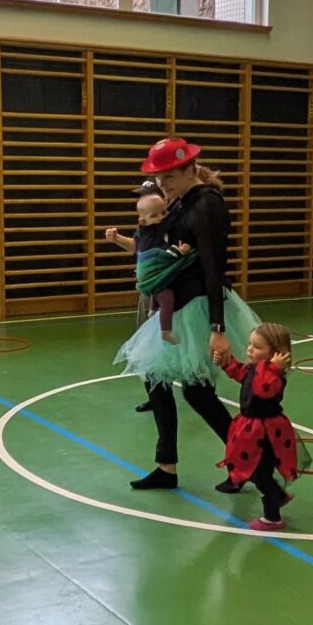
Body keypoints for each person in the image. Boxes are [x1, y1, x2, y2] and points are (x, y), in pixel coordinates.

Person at [118, 138, 261, 492]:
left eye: (169, 177)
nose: (162, 185)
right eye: (159, 178)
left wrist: (217, 327)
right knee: (156, 380)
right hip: (178, 304)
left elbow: (213, 267)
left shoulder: (206, 204)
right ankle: (166, 466)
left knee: (198, 393)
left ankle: (252, 467)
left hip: (197, 306)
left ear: (190, 169)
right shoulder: (182, 200)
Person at [214, 322, 301, 531]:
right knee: (254, 470)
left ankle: (273, 517)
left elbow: (263, 388)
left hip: (265, 434)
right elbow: (240, 373)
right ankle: (278, 495)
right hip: (250, 430)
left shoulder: (273, 377)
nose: (250, 350)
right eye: (250, 344)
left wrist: (273, 367)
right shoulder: (255, 369)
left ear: (277, 353)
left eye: (257, 347)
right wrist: (225, 362)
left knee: (261, 475)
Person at [101, 190, 190, 342]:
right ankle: (158, 320)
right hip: (154, 282)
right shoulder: (148, 230)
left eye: (161, 212)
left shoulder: (175, 221)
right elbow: (140, 247)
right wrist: (117, 238)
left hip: (180, 287)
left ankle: (159, 321)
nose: (159, 217)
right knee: (148, 330)